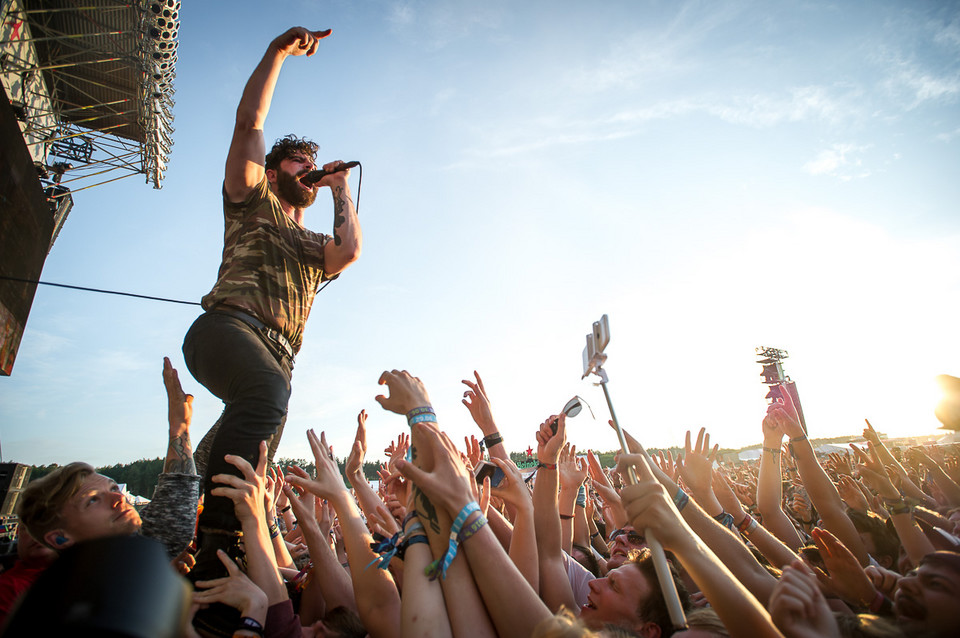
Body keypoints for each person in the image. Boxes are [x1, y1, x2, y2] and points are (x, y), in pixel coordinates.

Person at [181, 25, 362, 577]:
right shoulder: (251, 199)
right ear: (276, 168)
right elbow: (249, 125)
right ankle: (217, 541)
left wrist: (338, 188)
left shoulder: (313, 246)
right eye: (299, 164)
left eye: (314, 164)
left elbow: (348, 250)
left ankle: (179, 528)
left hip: (277, 359)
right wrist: (278, 52)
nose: (309, 169)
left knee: (241, 455)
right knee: (265, 394)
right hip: (230, 331)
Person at [16, 357, 200, 560]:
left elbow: (172, 520)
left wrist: (180, 427)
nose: (118, 498)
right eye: (92, 500)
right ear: (59, 538)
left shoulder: (123, 563)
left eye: (113, 488)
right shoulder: (90, 587)